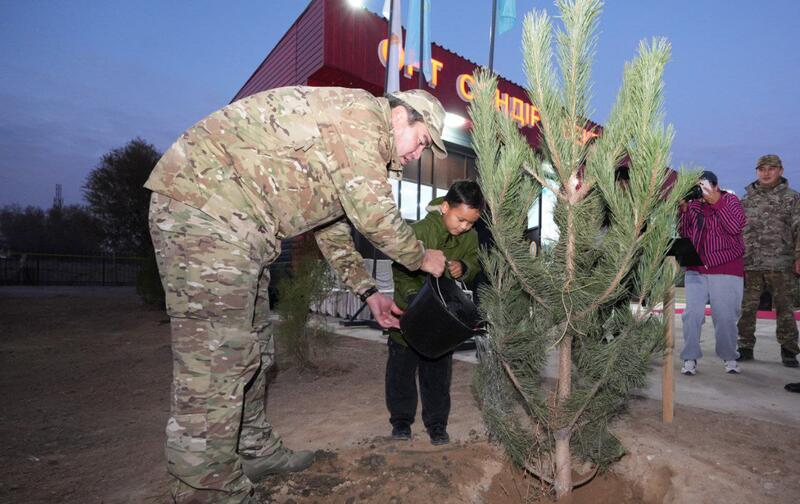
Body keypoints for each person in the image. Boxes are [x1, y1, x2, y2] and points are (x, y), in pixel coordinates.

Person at [145, 86, 448, 503]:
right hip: (205, 211)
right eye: (423, 140)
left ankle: (253, 451)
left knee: (254, 349)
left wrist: (368, 293)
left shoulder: (352, 142)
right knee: (217, 361)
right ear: (401, 117)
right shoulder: (360, 117)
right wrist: (424, 257)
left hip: (237, 227)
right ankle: (206, 490)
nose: (420, 154)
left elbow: (335, 226)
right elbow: (375, 217)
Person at [385, 181, 483, 445]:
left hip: (442, 320)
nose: (464, 227)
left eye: (471, 223)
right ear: (445, 207)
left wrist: (464, 266)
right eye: (460, 219)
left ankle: (437, 425)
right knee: (401, 373)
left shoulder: (470, 236)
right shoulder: (418, 231)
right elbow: (400, 270)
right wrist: (412, 301)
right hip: (409, 314)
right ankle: (401, 422)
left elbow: (475, 261)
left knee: (438, 375)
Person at [678, 171, 746, 375]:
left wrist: (716, 202)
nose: (700, 190)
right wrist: (682, 211)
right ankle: (689, 357)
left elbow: (735, 227)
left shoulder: (730, 200)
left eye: (703, 185)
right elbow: (684, 233)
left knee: (724, 317)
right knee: (692, 316)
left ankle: (729, 356)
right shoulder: (694, 206)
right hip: (696, 268)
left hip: (726, 267)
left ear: (715, 186)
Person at [736, 154, 800, 368]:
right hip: (752, 264)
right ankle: (744, 347)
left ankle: (789, 351)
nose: (765, 172)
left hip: (781, 264)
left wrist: (799, 256)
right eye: (761, 169)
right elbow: (738, 231)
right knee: (747, 308)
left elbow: (799, 229)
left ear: (780, 171)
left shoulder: (792, 198)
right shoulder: (746, 199)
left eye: (771, 168)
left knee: (785, 309)